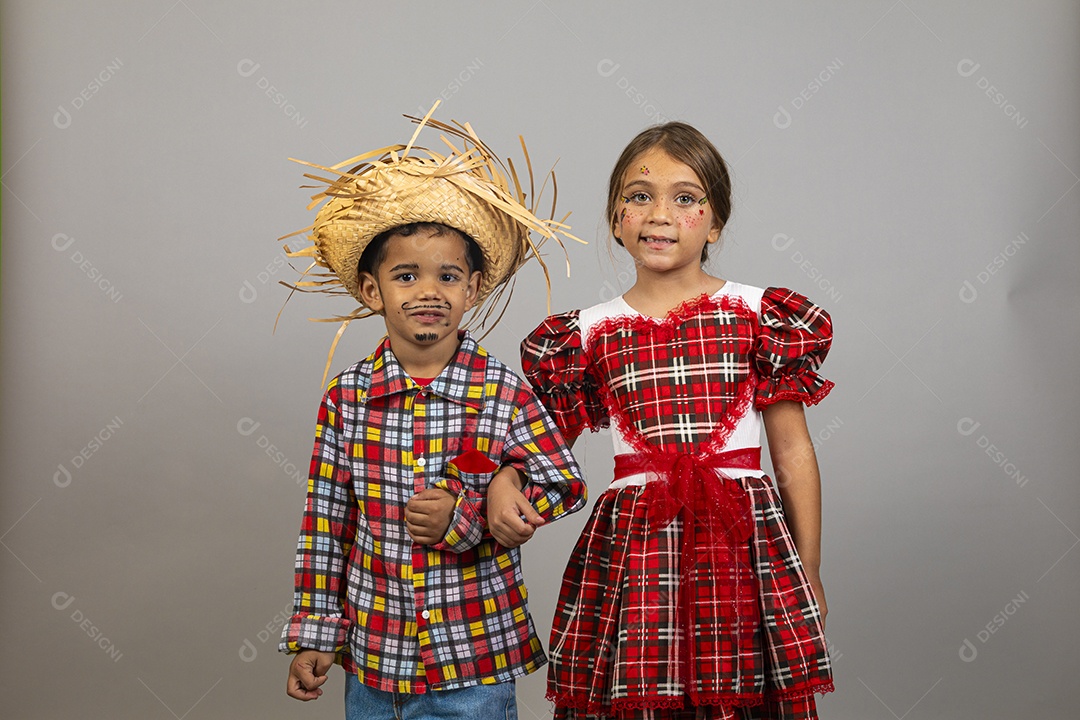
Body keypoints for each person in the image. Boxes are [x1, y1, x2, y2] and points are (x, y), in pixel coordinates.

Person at [491, 122, 836, 719]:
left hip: (742, 543)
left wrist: (808, 571)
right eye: (639, 195)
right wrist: (503, 477)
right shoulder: (585, 334)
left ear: (715, 222)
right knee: (639, 691)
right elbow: (543, 446)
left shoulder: (759, 315)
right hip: (637, 547)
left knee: (742, 688)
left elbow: (793, 454)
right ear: (615, 219)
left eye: (685, 198)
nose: (660, 214)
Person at [278, 107, 586, 720]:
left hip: (474, 663)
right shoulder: (347, 398)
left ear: (472, 289)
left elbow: (564, 483)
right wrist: (317, 632)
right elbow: (326, 524)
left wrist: (476, 510)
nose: (428, 291)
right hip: (374, 659)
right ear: (373, 291)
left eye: (448, 276)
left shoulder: (502, 391)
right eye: (405, 275)